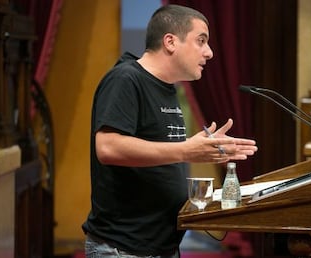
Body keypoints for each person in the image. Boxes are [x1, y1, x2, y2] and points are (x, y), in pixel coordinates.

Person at [81, 4, 258, 258]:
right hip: (124, 249)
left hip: (161, 247)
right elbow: (108, 147)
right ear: (170, 42)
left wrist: (198, 147)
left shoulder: (166, 87)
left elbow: (157, 151)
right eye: (201, 41)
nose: (209, 53)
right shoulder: (125, 79)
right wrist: (187, 149)